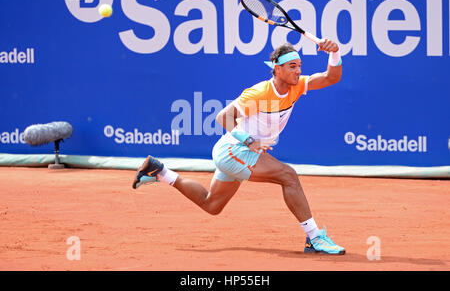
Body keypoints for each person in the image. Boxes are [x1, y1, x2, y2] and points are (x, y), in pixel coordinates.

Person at [132, 39, 345, 255]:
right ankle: (314, 237)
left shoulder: (297, 86)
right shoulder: (260, 93)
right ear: (277, 69)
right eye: (293, 66)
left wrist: (335, 52)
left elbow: (331, 77)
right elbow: (224, 116)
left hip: (235, 152)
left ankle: (160, 172)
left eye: (300, 65)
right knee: (288, 176)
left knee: (211, 204)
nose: (298, 71)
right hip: (234, 150)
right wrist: (250, 141)